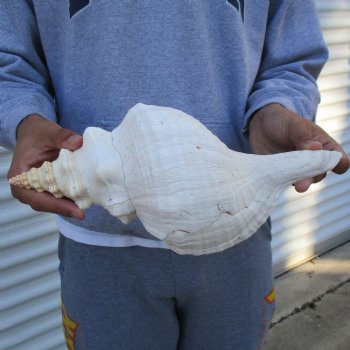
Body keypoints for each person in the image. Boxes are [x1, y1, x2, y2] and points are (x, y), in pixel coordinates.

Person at [1, 1, 349, 349]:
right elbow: (9, 64)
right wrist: (25, 119)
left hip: (232, 229)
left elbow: (290, 61)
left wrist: (274, 109)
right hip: (99, 250)